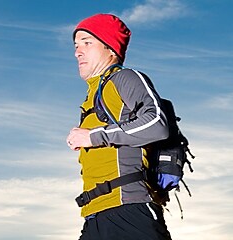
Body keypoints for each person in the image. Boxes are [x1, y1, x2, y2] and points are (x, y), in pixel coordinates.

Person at [65, 13, 172, 240]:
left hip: (129, 210)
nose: (77, 52)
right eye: (76, 45)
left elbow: (157, 124)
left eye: (87, 43)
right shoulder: (94, 94)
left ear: (110, 48)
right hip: (95, 215)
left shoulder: (125, 78)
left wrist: (93, 137)